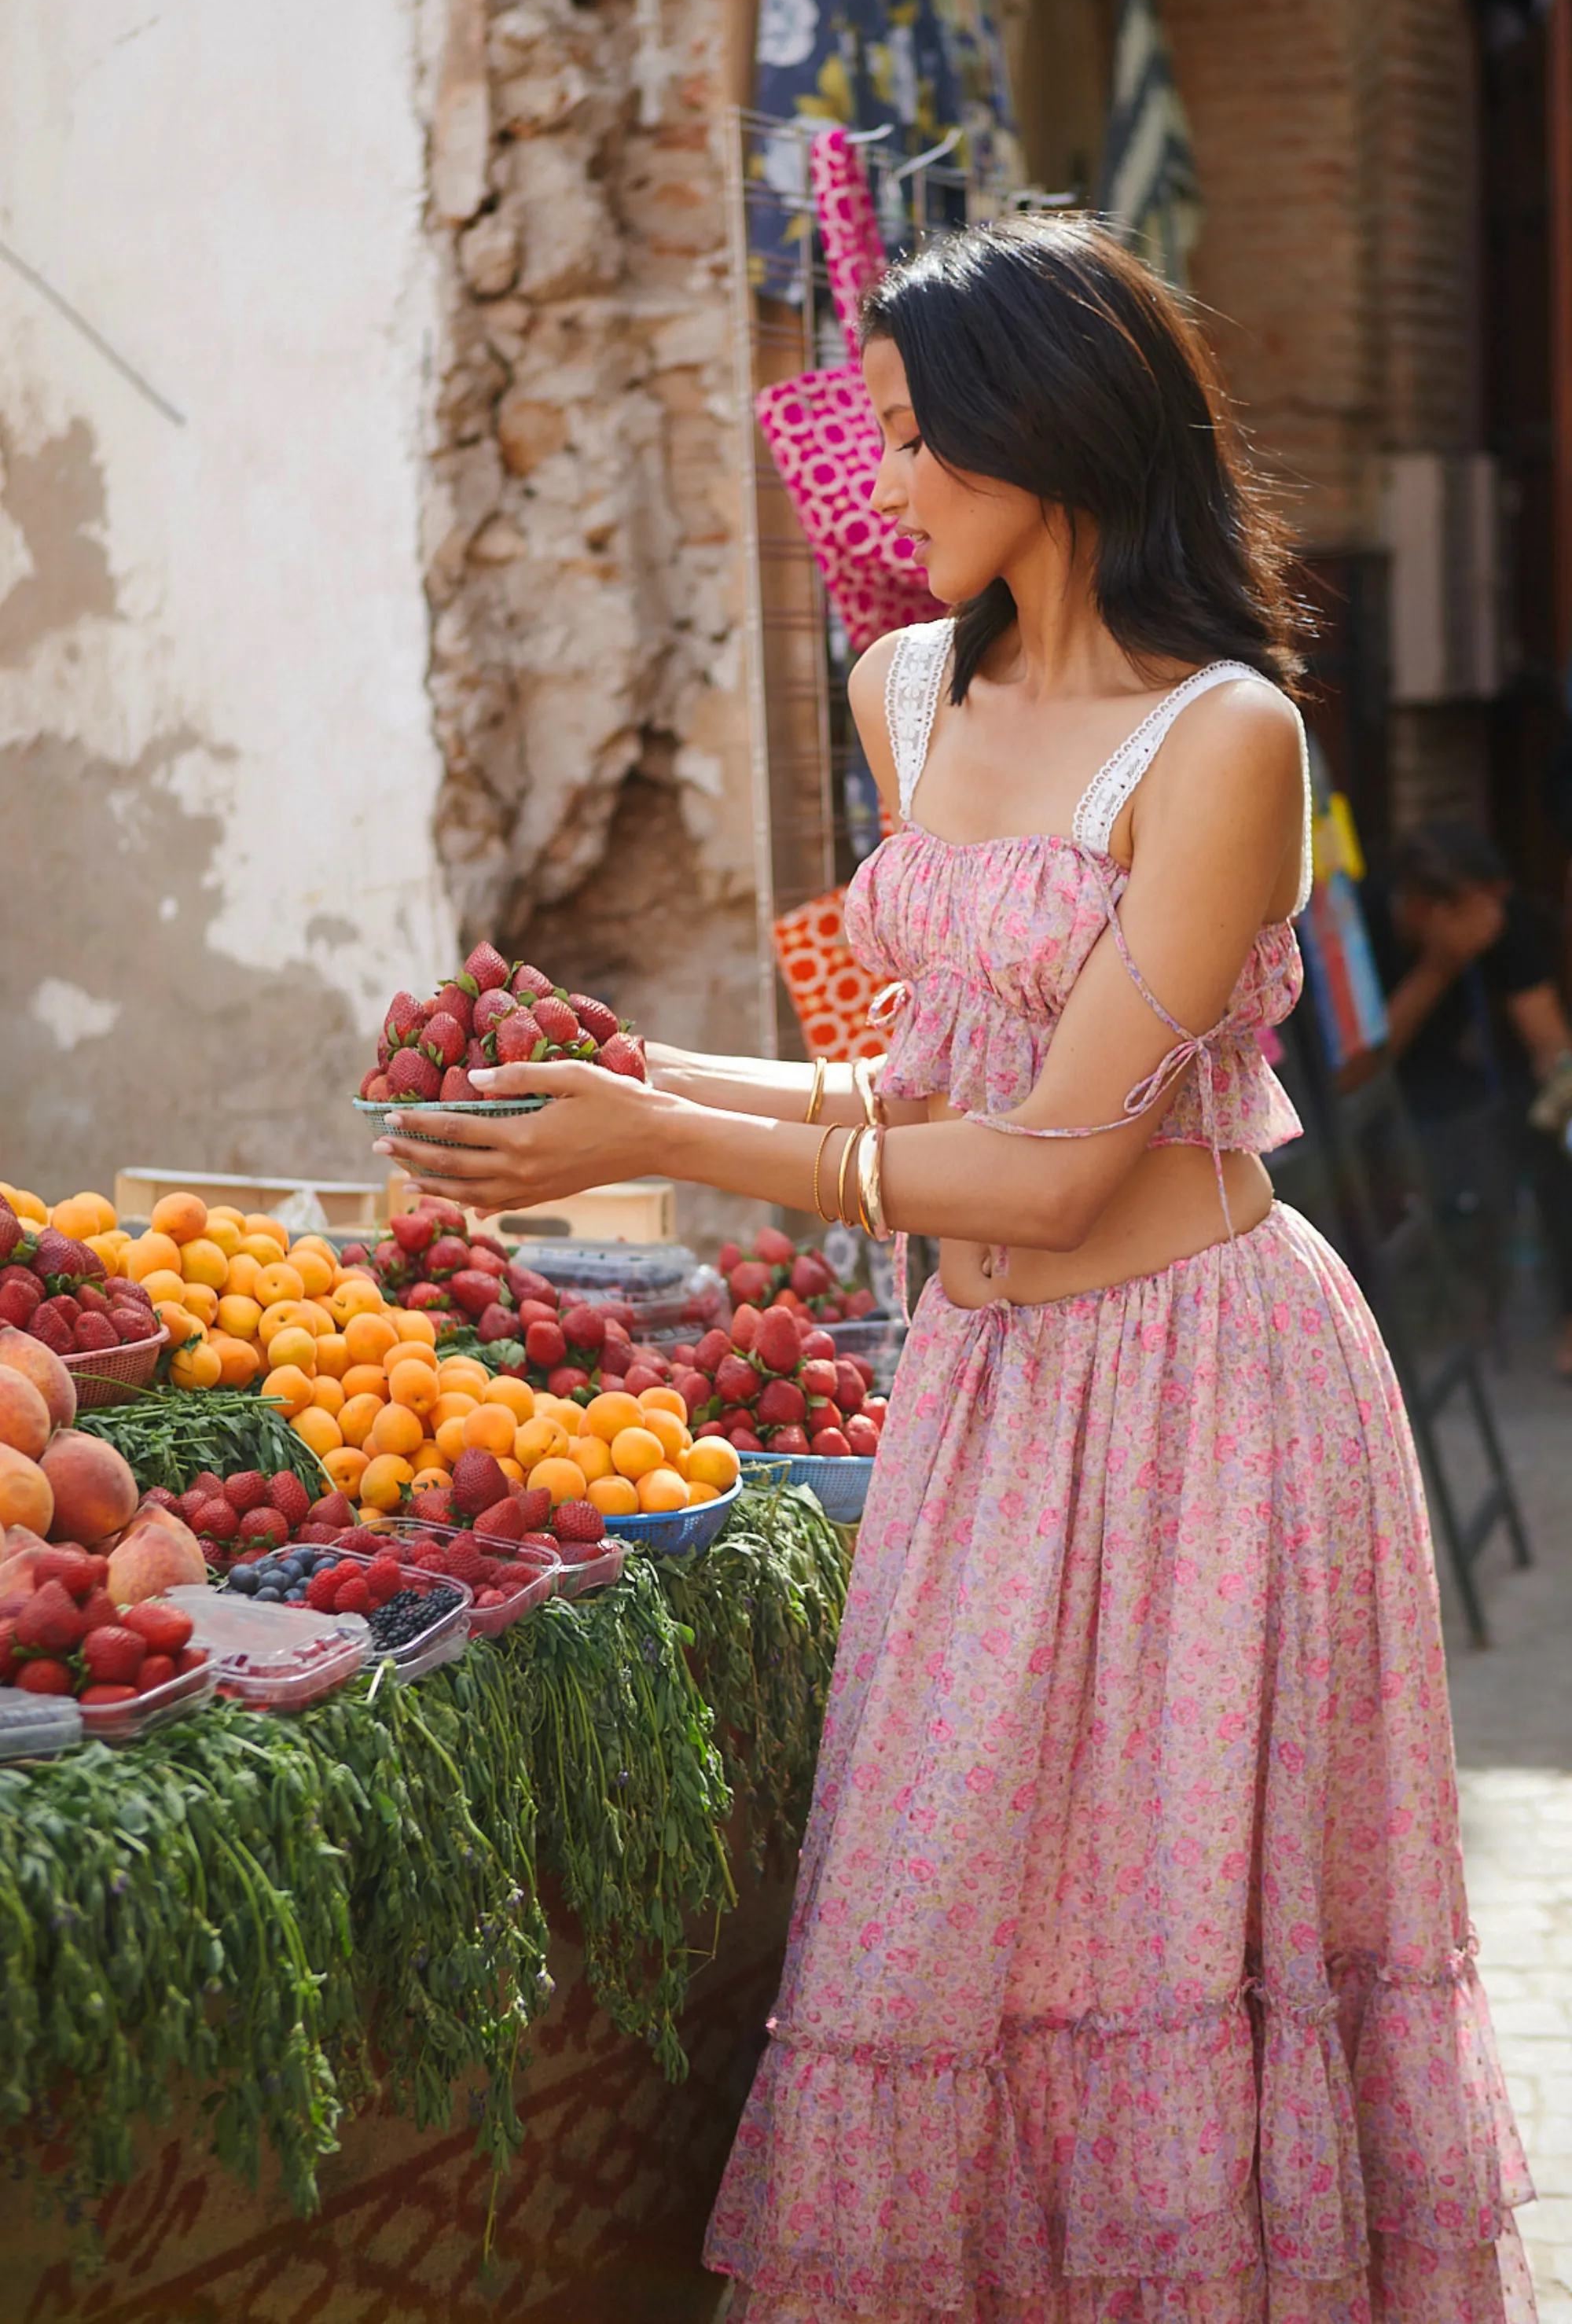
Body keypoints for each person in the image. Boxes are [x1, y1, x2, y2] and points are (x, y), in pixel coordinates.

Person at [376, 219, 1534, 2321]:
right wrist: (624, 1070)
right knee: (948, 1937)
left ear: (1051, 432)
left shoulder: (1223, 745)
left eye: (912, 440)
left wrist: (658, 1144)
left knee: (1161, 1946)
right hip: (992, 1403)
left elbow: (1054, 1174)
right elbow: (918, 1079)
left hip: (1202, 1403)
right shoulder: (905, 684)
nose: (877, 486)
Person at [1363, 821, 1572, 1373]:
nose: (1495, 923)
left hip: (1476, 1086)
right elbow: (1360, 1070)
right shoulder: (1359, 923)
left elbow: (1547, 1037)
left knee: (1557, 1143)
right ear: (1434, 910)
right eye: (1481, 910)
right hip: (1388, 1097)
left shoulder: (1497, 920)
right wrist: (1438, 969)